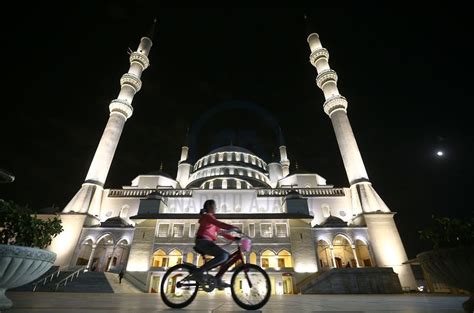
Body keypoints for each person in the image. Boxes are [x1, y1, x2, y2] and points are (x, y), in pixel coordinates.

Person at [190, 199, 239, 289]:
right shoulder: (207, 216)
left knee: (227, 256)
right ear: (209, 206)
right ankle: (200, 271)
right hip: (203, 242)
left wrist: (234, 238)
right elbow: (219, 224)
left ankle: (218, 279)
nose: (215, 208)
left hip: (207, 242)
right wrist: (232, 227)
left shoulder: (211, 219)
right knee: (224, 255)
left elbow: (221, 232)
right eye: (214, 206)